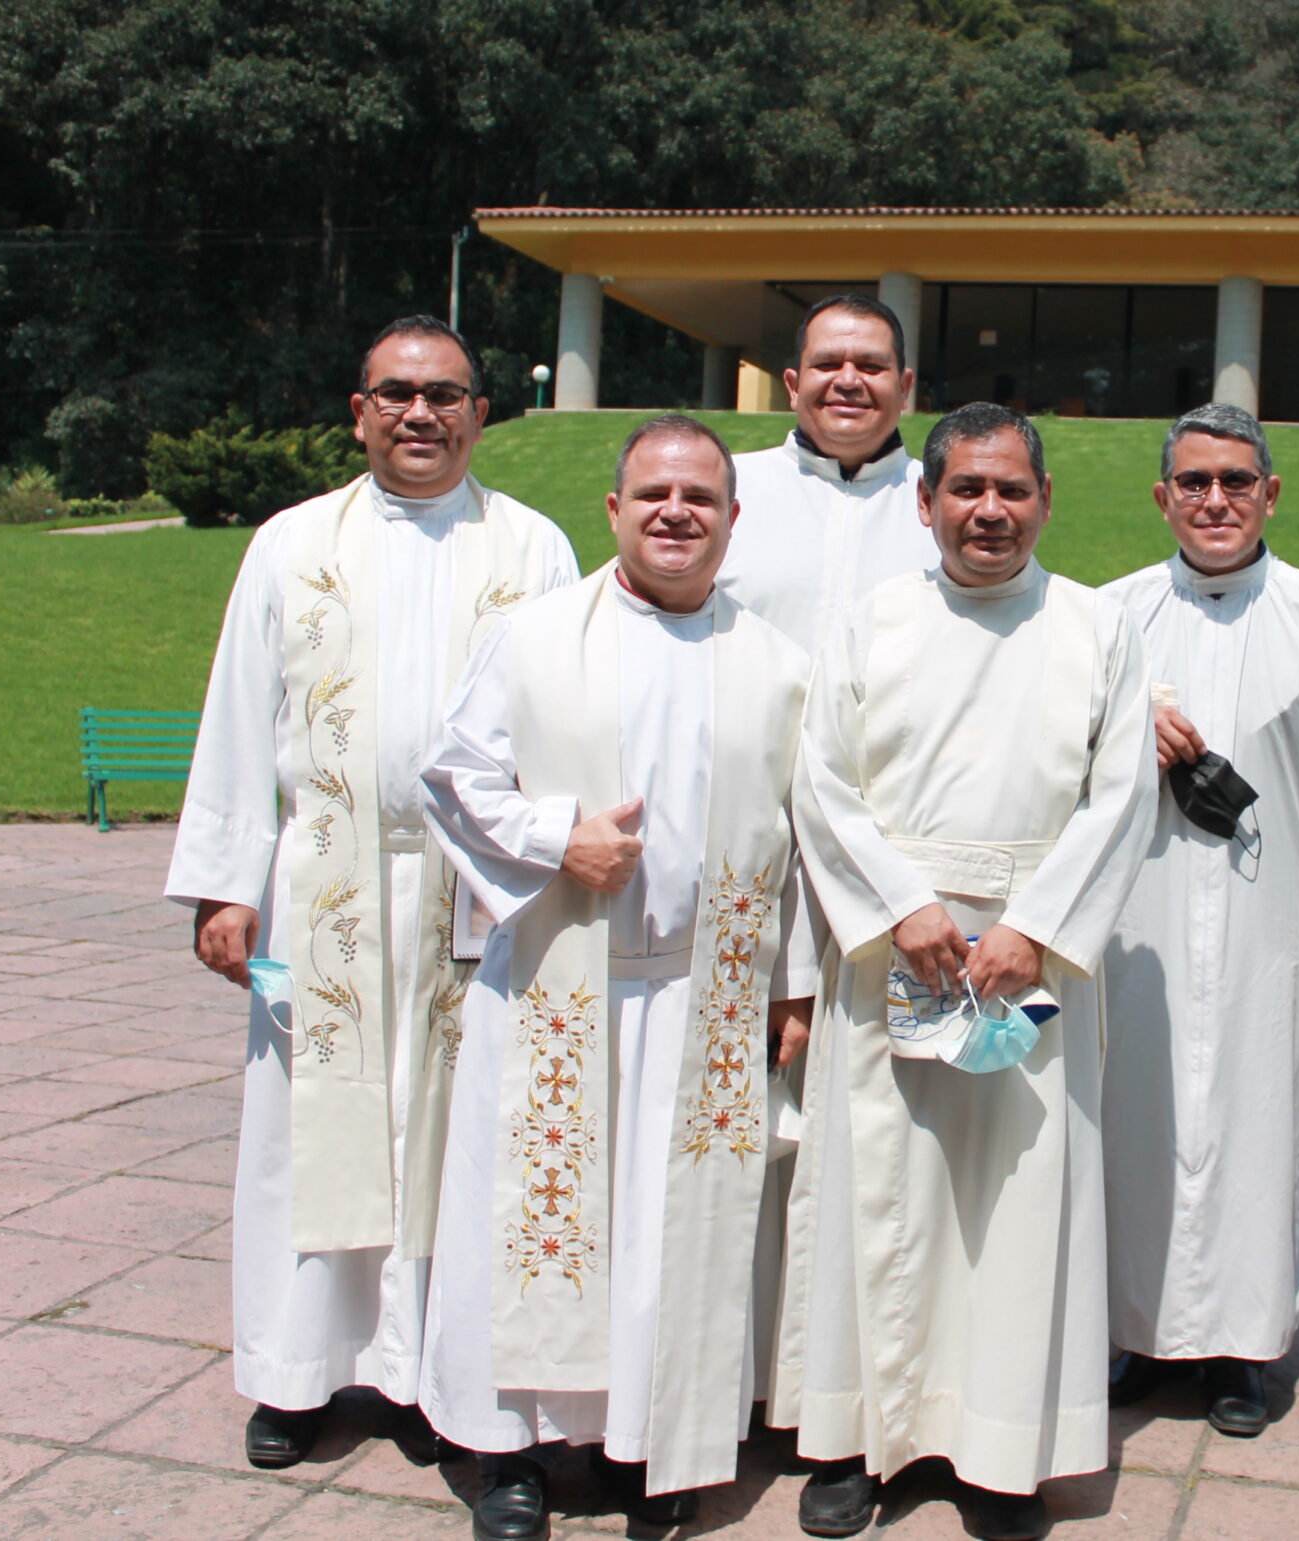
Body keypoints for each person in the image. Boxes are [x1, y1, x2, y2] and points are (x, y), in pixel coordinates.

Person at [165, 316, 578, 1472]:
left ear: (479, 414)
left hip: (477, 890)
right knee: (310, 1124)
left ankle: (433, 1369)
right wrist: (222, 883)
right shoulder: (292, 544)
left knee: (457, 1127)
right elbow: (242, 716)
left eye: (444, 394)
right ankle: (301, 1373)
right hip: (325, 883)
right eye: (395, 393)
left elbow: (565, 720)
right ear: (358, 411)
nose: (419, 414)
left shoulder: (532, 547)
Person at [415, 416, 815, 1539]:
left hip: (704, 997)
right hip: (557, 980)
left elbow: (800, 839)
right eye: (652, 494)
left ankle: (654, 1442)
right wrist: (556, 842)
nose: (675, 512)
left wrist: (789, 980)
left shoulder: (780, 664)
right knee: (534, 1220)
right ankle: (511, 1452)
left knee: (664, 1229)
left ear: (734, 519)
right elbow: (451, 775)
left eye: (699, 496)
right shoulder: (536, 636)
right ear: (614, 510)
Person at [773, 403, 1153, 1541]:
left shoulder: (1097, 627)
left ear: (1044, 500)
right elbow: (820, 785)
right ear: (927, 499)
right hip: (898, 946)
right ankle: (851, 1439)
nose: (989, 511)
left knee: (1012, 1204)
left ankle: (1000, 1447)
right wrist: (906, 907)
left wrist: (1031, 925)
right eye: (965, 490)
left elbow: (1121, 792)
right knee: (878, 1193)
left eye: (1012, 490)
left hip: (1028, 959)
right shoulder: (871, 621)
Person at [1095, 403, 1299, 1438]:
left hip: (1271, 915)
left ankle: (1242, 1345)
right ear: (1162, 496)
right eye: (1193, 481)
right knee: (1135, 1113)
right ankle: (1132, 1327)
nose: (1214, 499)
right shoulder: (1106, 620)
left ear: (1270, 492)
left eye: (1235, 480)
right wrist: (1120, 724)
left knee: (1258, 1120)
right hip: (1140, 919)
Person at [720, 293, 940, 651]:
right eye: (827, 364)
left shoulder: (948, 507)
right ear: (792, 386)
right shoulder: (724, 490)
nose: (849, 381)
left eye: (871, 366)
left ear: (904, 388)